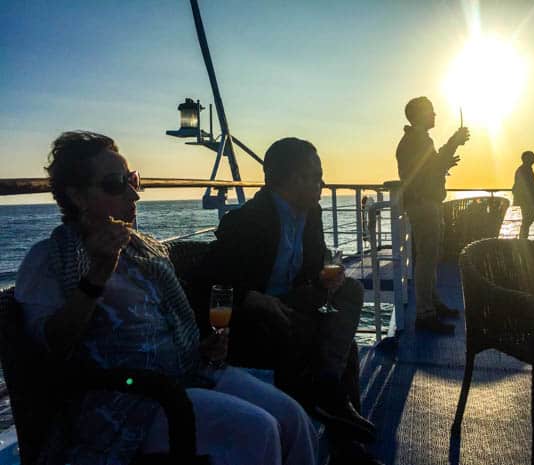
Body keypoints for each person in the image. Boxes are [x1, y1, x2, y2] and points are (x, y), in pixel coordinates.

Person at [14, 131, 318, 465]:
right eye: (116, 184)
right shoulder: (49, 260)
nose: (134, 194)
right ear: (77, 197)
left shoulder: (143, 250)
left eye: (133, 179)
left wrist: (198, 346)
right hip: (129, 397)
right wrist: (98, 273)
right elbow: (50, 349)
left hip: (186, 371)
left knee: (294, 419)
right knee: (258, 430)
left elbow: (163, 324)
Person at [199, 137, 383, 465]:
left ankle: (332, 404)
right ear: (292, 179)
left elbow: (312, 272)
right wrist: (256, 299)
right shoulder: (246, 222)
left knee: (349, 292)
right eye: (315, 176)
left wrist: (328, 281)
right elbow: (211, 282)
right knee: (343, 348)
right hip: (254, 318)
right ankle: (344, 439)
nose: (321, 184)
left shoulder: (310, 214)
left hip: (292, 305)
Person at [396, 96, 470, 334]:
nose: (435, 115)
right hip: (423, 205)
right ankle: (425, 314)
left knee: (433, 255)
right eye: (431, 112)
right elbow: (429, 170)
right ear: (419, 115)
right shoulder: (416, 141)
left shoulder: (417, 141)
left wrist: (446, 159)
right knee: (428, 258)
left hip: (427, 203)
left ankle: (433, 303)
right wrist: (453, 143)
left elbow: (428, 170)